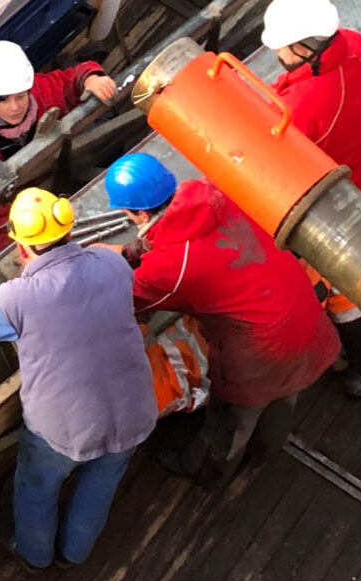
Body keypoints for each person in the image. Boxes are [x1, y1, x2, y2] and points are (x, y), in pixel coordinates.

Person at [0, 187, 154, 570]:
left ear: (22, 248)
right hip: (134, 409)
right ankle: (74, 555)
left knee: (37, 489)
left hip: (64, 430)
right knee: (99, 487)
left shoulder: (19, 298)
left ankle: (34, 556)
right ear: (71, 231)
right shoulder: (112, 264)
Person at [95, 153, 340, 486]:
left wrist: (109, 262)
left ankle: (212, 473)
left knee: (232, 417)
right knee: (286, 394)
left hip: (262, 350)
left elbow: (126, 301)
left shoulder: (169, 268)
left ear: (138, 213)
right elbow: (187, 238)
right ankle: (264, 453)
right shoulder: (217, 191)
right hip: (303, 314)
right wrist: (135, 250)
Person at [261, 0, 361, 397]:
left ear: (302, 48)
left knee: (336, 285)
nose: (277, 54)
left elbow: (279, 163)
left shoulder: (304, 107)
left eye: (282, 47)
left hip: (330, 204)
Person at [0, 41, 120, 259]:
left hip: (55, 175)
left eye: (20, 97)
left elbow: (72, 78)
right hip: (20, 213)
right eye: (3, 101)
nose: (14, 107)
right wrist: (18, 254)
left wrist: (91, 78)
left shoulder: (43, 91)